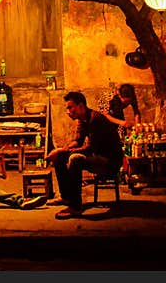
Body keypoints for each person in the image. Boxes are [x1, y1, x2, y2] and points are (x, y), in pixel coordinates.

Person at [46, 91, 123, 219]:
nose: (68, 111)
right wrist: (61, 150)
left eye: (70, 107)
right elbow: (78, 140)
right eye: (67, 108)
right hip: (97, 156)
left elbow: (88, 148)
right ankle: (66, 197)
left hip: (110, 161)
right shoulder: (83, 119)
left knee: (75, 160)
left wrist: (61, 151)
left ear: (81, 106)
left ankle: (75, 207)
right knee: (60, 158)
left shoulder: (95, 120)